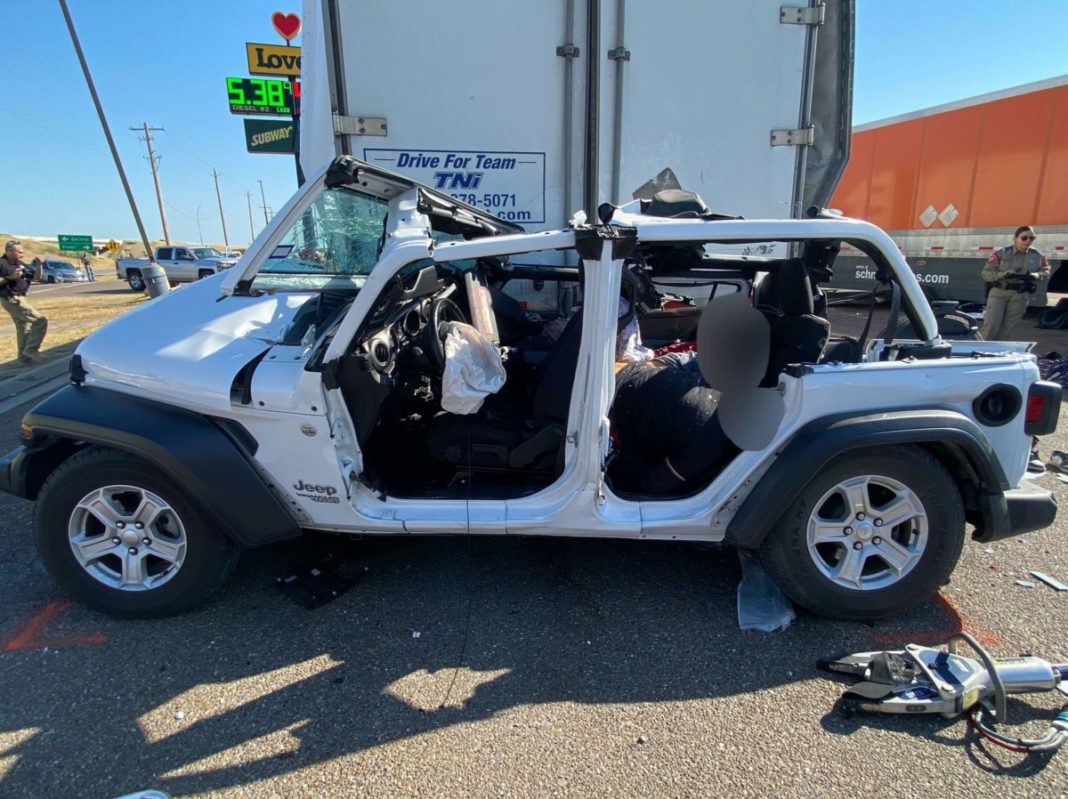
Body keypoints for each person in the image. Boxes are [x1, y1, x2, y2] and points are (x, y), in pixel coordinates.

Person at [980, 225, 1050, 340]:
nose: (1028, 241)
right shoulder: (1002, 253)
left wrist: (1035, 275)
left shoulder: (1038, 255)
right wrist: (1004, 274)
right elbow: (986, 273)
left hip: (1020, 295)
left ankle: (999, 349)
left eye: (1031, 238)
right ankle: (979, 348)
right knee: (991, 325)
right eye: (1024, 238)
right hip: (999, 292)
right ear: (1015, 239)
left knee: (1007, 328)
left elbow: (1046, 271)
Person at [0, 241, 48, 365]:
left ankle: (23, 357)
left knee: (22, 327)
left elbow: (36, 277)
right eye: (19, 252)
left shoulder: (20, 264)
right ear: (9, 251)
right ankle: (31, 350)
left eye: (22, 251)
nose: (22, 254)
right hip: (11, 299)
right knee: (40, 321)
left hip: (20, 297)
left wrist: (39, 265)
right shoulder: (2, 264)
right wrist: (11, 277)